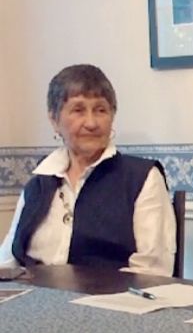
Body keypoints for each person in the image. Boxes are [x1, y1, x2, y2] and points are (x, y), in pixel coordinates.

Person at [0, 64, 176, 276]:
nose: (91, 123)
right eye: (78, 110)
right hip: (33, 293)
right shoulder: (38, 183)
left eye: (101, 110)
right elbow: (8, 261)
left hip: (111, 295)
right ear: (54, 120)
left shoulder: (142, 178)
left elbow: (153, 271)